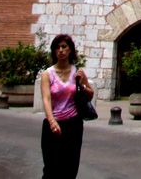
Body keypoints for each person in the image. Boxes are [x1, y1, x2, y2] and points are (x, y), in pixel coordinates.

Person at [40, 34, 94, 179]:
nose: (61, 50)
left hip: (73, 125)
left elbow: (90, 95)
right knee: (51, 169)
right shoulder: (47, 74)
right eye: (57, 47)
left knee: (70, 168)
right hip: (53, 125)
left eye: (64, 47)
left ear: (70, 50)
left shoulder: (77, 72)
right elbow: (46, 99)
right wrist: (52, 121)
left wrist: (83, 83)